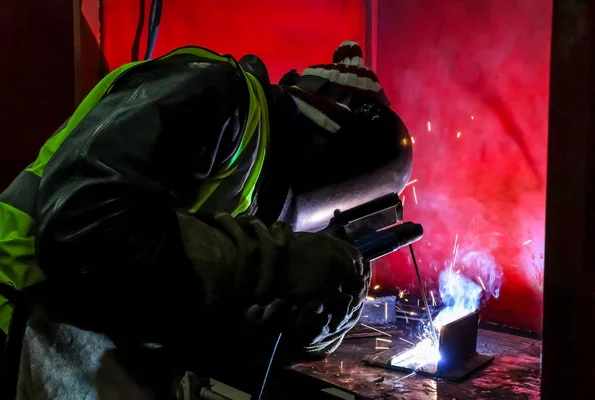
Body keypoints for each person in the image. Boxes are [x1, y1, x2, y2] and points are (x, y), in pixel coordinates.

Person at [0, 41, 413, 399]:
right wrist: (278, 260)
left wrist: (302, 326)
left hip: (80, 349)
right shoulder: (212, 93)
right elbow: (82, 231)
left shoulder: (248, 190)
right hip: (16, 320)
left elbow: (189, 308)